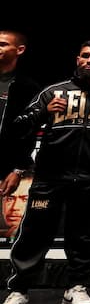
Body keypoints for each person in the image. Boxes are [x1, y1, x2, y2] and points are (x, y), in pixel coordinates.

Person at [1, 40, 90, 304]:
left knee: (84, 237)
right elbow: (17, 127)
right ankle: (19, 292)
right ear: (77, 59)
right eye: (85, 56)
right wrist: (43, 112)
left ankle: (75, 288)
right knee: (34, 235)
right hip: (50, 177)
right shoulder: (53, 91)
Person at [0, 30, 40, 201]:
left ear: (20, 50)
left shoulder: (28, 87)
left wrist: (18, 169)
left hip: (2, 167)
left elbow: (29, 132)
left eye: (3, 44)